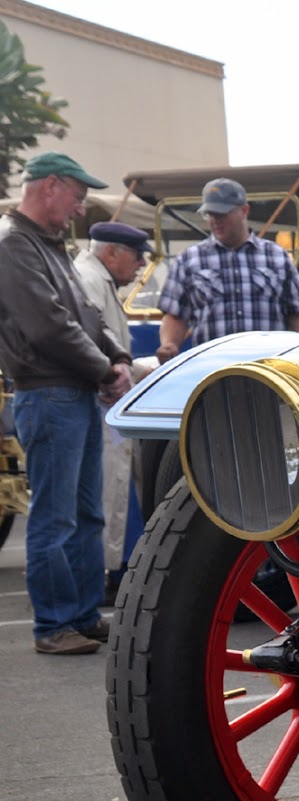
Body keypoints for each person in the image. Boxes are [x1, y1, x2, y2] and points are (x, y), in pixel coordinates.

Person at [0, 152, 133, 655]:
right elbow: (50, 326)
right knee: (59, 516)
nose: (80, 209)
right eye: (77, 197)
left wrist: (115, 356)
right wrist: (107, 367)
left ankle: (76, 616)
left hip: (67, 390)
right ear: (50, 186)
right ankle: (55, 624)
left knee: (81, 514)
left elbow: (83, 316)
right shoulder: (15, 245)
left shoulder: (41, 244)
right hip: (51, 391)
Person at [74, 221, 151, 601]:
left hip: (110, 394)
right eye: (136, 255)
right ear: (112, 252)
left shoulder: (97, 279)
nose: (140, 264)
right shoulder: (90, 280)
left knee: (115, 486)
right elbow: (91, 343)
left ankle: (110, 571)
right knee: (109, 488)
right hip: (103, 397)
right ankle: (106, 574)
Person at [155, 177, 299, 361]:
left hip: (269, 369)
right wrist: (169, 345)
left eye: (222, 214)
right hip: (211, 369)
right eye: (210, 215)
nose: (215, 221)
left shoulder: (276, 256)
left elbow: (298, 313)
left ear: (244, 211)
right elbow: (175, 315)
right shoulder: (189, 260)